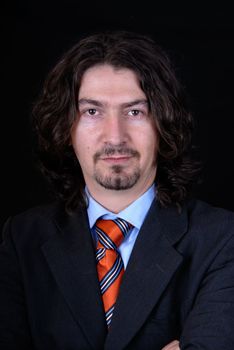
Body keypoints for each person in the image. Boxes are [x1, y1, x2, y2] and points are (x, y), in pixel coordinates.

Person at [0, 30, 234, 350]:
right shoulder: (21, 239)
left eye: (134, 111)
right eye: (92, 112)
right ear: (65, 127)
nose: (115, 136)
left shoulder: (223, 240)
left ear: (163, 123)